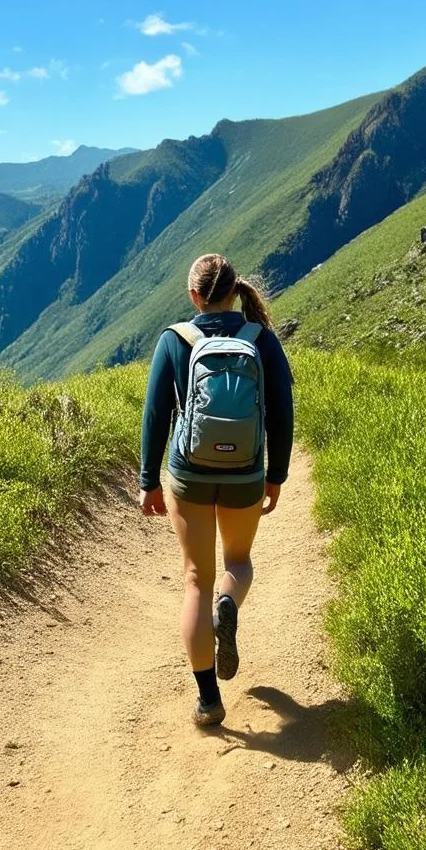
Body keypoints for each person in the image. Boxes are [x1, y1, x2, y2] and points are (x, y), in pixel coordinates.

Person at [139, 253, 294, 727]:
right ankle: (229, 603)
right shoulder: (261, 339)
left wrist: (149, 480)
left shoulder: (175, 340)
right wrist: (276, 475)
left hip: (189, 473)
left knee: (194, 581)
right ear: (235, 291)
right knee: (238, 563)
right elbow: (282, 411)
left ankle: (208, 700)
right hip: (245, 472)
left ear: (193, 296)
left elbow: (156, 414)